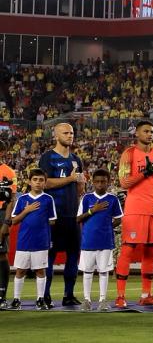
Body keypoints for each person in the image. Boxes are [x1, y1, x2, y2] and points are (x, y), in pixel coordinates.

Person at [116, 120, 153, 308]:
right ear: (136, 134)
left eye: (152, 131)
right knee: (128, 250)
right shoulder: (128, 154)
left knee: (150, 251)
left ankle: (146, 294)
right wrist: (144, 173)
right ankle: (120, 296)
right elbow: (124, 183)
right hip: (134, 209)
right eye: (146, 131)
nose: (150, 134)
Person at [39, 122, 85, 307]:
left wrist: (80, 183)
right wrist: (71, 179)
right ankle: (46, 295)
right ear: (56, 136)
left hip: (73, 215)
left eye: (72, 132)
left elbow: (79, 188)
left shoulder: (76, 159)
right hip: (53, 216)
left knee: (74, 255)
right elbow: (45, 183)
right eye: (65, 133)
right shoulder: (47, 157)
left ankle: (69, 295)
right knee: (50, 255)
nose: (70, 135)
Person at [76, 169, 123, 311]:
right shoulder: (87, 198)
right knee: (88, 271)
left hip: (105, 241)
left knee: (104, 271)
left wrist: (107, 227)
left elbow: (119, 218)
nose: (100, 184)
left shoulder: (113, 199)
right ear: (93, 183)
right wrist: (92, 210)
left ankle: (103, 300)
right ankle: (87, 300)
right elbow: (78, 219)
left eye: (103, 181)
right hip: (88, 241)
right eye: (97, 182)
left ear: (108, 182)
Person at [9, 169, 55, 310]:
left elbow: (53, 221)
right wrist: (27, 210)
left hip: (41, 241)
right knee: (20, 271)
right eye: (35, 179)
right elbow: (14, 220)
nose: (38, 182)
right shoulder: (22, 199)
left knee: (40, 271)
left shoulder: (48, 199)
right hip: (24, 241)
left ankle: (40, 299)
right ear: (29, 181)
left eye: (41, 180)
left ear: (45, 182)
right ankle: (16, 299)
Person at [0, 151, 16, 309]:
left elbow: (12, 198)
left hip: (1, 213)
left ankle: (1, 295)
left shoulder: (8, 172)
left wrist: (6, 221)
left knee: (1, 253)